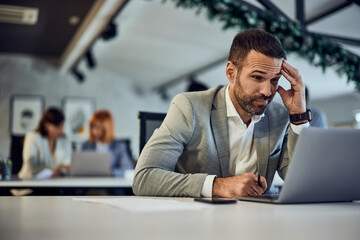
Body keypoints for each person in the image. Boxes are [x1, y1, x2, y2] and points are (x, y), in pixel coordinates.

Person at [133, 29, 311, 198]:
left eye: (274, 80)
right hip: (202, 222)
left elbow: (303, 182)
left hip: (261, 219)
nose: (267, 91)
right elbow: (144, 178)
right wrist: (219, 185)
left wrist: (299, 116)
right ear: (231, 73)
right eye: (257, 77)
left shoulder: (280, 116)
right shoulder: (190, 107)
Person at [18, 107, 71, 179]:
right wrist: (53, 169)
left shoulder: (64, 141)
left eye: (62, 127)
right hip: (31, 183)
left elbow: (68, 165)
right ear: (46, 124)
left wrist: (62, 170)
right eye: (57, 127)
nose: (61, 131)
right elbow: (32, 165)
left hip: (56, 184)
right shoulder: (32, 137)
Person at [82, 110, 134, 177]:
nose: (93, 131)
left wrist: (112, 173)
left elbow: (128, 169)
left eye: (97, 128)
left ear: (106, 128)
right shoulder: (87, 145)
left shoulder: (119, 146)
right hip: (89, 184)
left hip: (110, 185)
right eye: (92, 127)